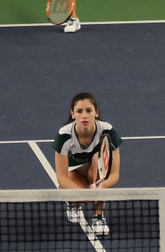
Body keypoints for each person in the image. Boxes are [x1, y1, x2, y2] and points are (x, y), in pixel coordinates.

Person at [53, 92, 122, 236]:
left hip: (95, 171)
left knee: (97, 161)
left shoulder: (108, 132)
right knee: (71, 192)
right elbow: (62, 178)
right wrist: (85, 195)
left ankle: (99, 217)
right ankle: (74, 205)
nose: (84, 115)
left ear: (96, 113)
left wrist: (101, 187)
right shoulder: (64, 136)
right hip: (73, 174)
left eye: (89, 110)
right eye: (79, 111)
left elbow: (114, 174)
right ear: (73, 114)